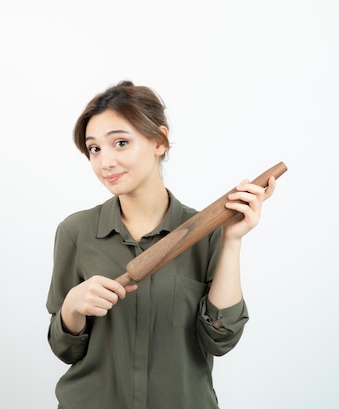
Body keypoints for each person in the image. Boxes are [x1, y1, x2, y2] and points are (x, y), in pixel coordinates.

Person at [46, 80, 276, 409]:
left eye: (121, 143)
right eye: (94, 148)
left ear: (160, 141)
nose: (105, 162)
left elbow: (221, 339)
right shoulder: (75, 232)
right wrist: (72, 306)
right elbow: (64, 349)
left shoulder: (208, 231)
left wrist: (232, 241)